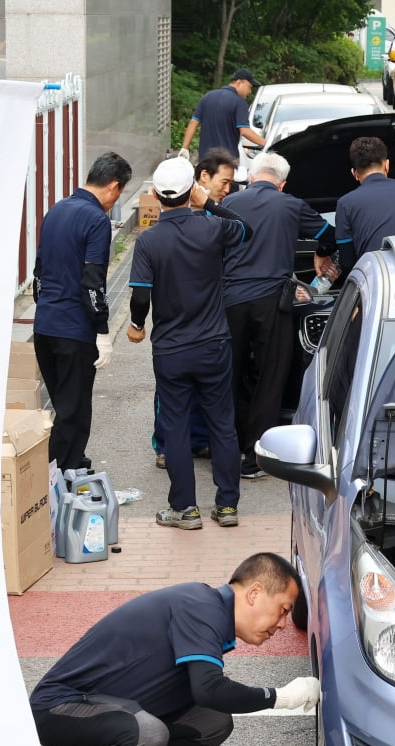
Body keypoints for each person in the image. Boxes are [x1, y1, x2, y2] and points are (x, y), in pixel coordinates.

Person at [30, 552, 321, 746]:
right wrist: (281, 697)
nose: (283, 624)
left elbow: (197, 703)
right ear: (255, 593)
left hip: (110, 709)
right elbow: (210, 689)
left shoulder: (211, 616)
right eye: (283, 610)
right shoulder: (201, 606)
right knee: (148, 734)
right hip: (60, 709)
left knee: (214, 722)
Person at [128, 157, 252, 530]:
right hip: (214, 342)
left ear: (154, 195)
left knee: (176, 426)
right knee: (222, 424)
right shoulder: (213, 229)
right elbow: (246, 230)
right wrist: (209, 203)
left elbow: (139, 296)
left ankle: (185, 509)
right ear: (191, 191)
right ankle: (227, 506)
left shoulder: (149, 241)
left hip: (171, 349)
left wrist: (136, 325)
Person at [220, 152, 337, 478]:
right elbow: (330, 234)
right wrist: (321, 253)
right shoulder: (291, 205)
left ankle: (227, 447)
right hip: (273, 300)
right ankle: (256, 456)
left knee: (232, 374)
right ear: (282, 183)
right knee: (270, 377)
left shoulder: (229, 202)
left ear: (252, 177)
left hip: (230, 300)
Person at [33, 151, 132, 472]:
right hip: (74, 331)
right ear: (114, 187)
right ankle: (56, 477)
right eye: (119, 194)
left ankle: (73, 460)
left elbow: (39, 272)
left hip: (45, 327)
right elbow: (92, 282)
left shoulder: (56, 210)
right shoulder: (96, 220)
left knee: (63, 403)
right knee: (74, 410)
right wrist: (101, 330)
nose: (115, 201)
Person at [150, 148, 240, 469]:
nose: (227, 189)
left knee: (196, 393)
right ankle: (169, 446)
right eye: (224, 181)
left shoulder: (209, 221)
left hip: (182, 336)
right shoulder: (202, 220)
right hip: (194, 331)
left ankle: (196, 447)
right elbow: (244, 230)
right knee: (181, 398)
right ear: (199, 181)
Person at [329, 136, 395, 276]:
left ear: (354, 173)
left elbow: (347, 263)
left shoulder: (346, 203)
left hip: (375, 283)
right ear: (387, 165)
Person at [178, 68, 267, 160]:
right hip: (227, 161)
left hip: (205, 159)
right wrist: (265, 143)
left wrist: (185, 148)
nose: (250, 91)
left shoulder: (207, 97)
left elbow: (193, 123)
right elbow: (244, 130)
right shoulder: (240, 102)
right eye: (249, 87)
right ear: (239, 82)